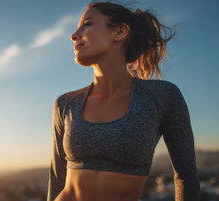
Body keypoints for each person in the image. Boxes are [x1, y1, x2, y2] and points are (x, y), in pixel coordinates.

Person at [47, 1, 200, 201]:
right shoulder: (66, 103)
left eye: (87, 24)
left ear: (119, 32)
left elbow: (186, 179)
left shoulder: (162, 97)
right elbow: (57, 181)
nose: (74, 35)